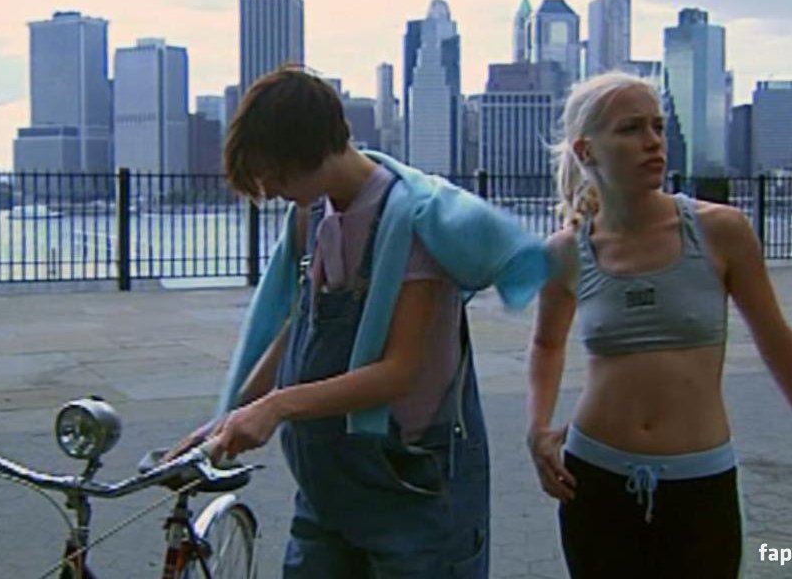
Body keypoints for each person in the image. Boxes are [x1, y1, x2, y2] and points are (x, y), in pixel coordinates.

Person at [165, 65, 551, 578]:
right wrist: (227, 419)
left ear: (310, 149)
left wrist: (277, 406)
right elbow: (299, 327)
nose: (272, 190)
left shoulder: (413, 219)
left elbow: (398, 372)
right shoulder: (312, 215)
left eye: (275, 174)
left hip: (410, 482)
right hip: (329, 486)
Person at [525, 71, 792, 578]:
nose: (652, 142)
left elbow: (777, 342)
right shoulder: (566, 252)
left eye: (658, 127)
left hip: (699, 478)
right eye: (631, 129)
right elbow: (546, 343)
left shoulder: (720, 231)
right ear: (586, 150)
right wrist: (537, 430)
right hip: (594, 475)